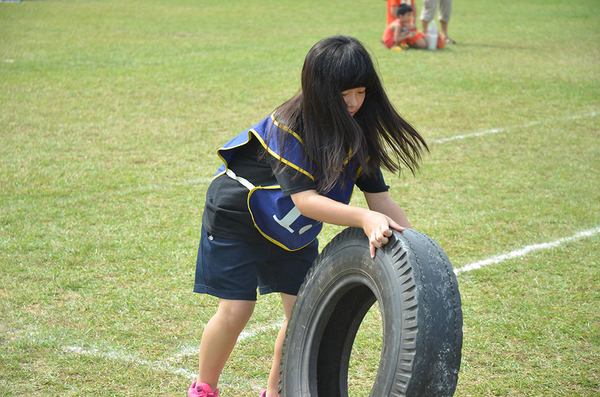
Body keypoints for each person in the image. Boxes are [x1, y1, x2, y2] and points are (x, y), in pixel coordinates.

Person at [188, 35, 428, 397]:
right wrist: (362, 219)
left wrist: (415, 248)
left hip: (290, 232)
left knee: (302, 315)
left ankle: (276, 392)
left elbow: (380, 198)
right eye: (344, 94)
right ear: (318, 90)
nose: (353, 103)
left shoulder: (357, 131)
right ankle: (204, 389)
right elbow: (306, 202)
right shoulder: (289, 127)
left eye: (361, 92)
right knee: (238, 309)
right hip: (237, 218)